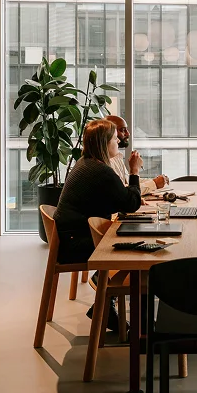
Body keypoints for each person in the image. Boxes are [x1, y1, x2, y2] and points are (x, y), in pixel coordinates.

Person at [54, 118, 143, 331]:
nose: (118, 142)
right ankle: (106, 295)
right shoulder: (100, 171)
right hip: (76, 244)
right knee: (136, 247)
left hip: (72, 237)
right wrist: (134, 172)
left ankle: (104, 302)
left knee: (129, 239)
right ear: (105, 143)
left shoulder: (86, 163)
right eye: (115, 139)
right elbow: (131, 203)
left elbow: (117, 199)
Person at [105, 115, 168, 195]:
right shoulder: (105, 162)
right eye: (123, 130)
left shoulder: (117, 156)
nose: (128, 134)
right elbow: (124, 192)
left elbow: (128, 181)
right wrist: (153, 183)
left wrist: (155, 181)